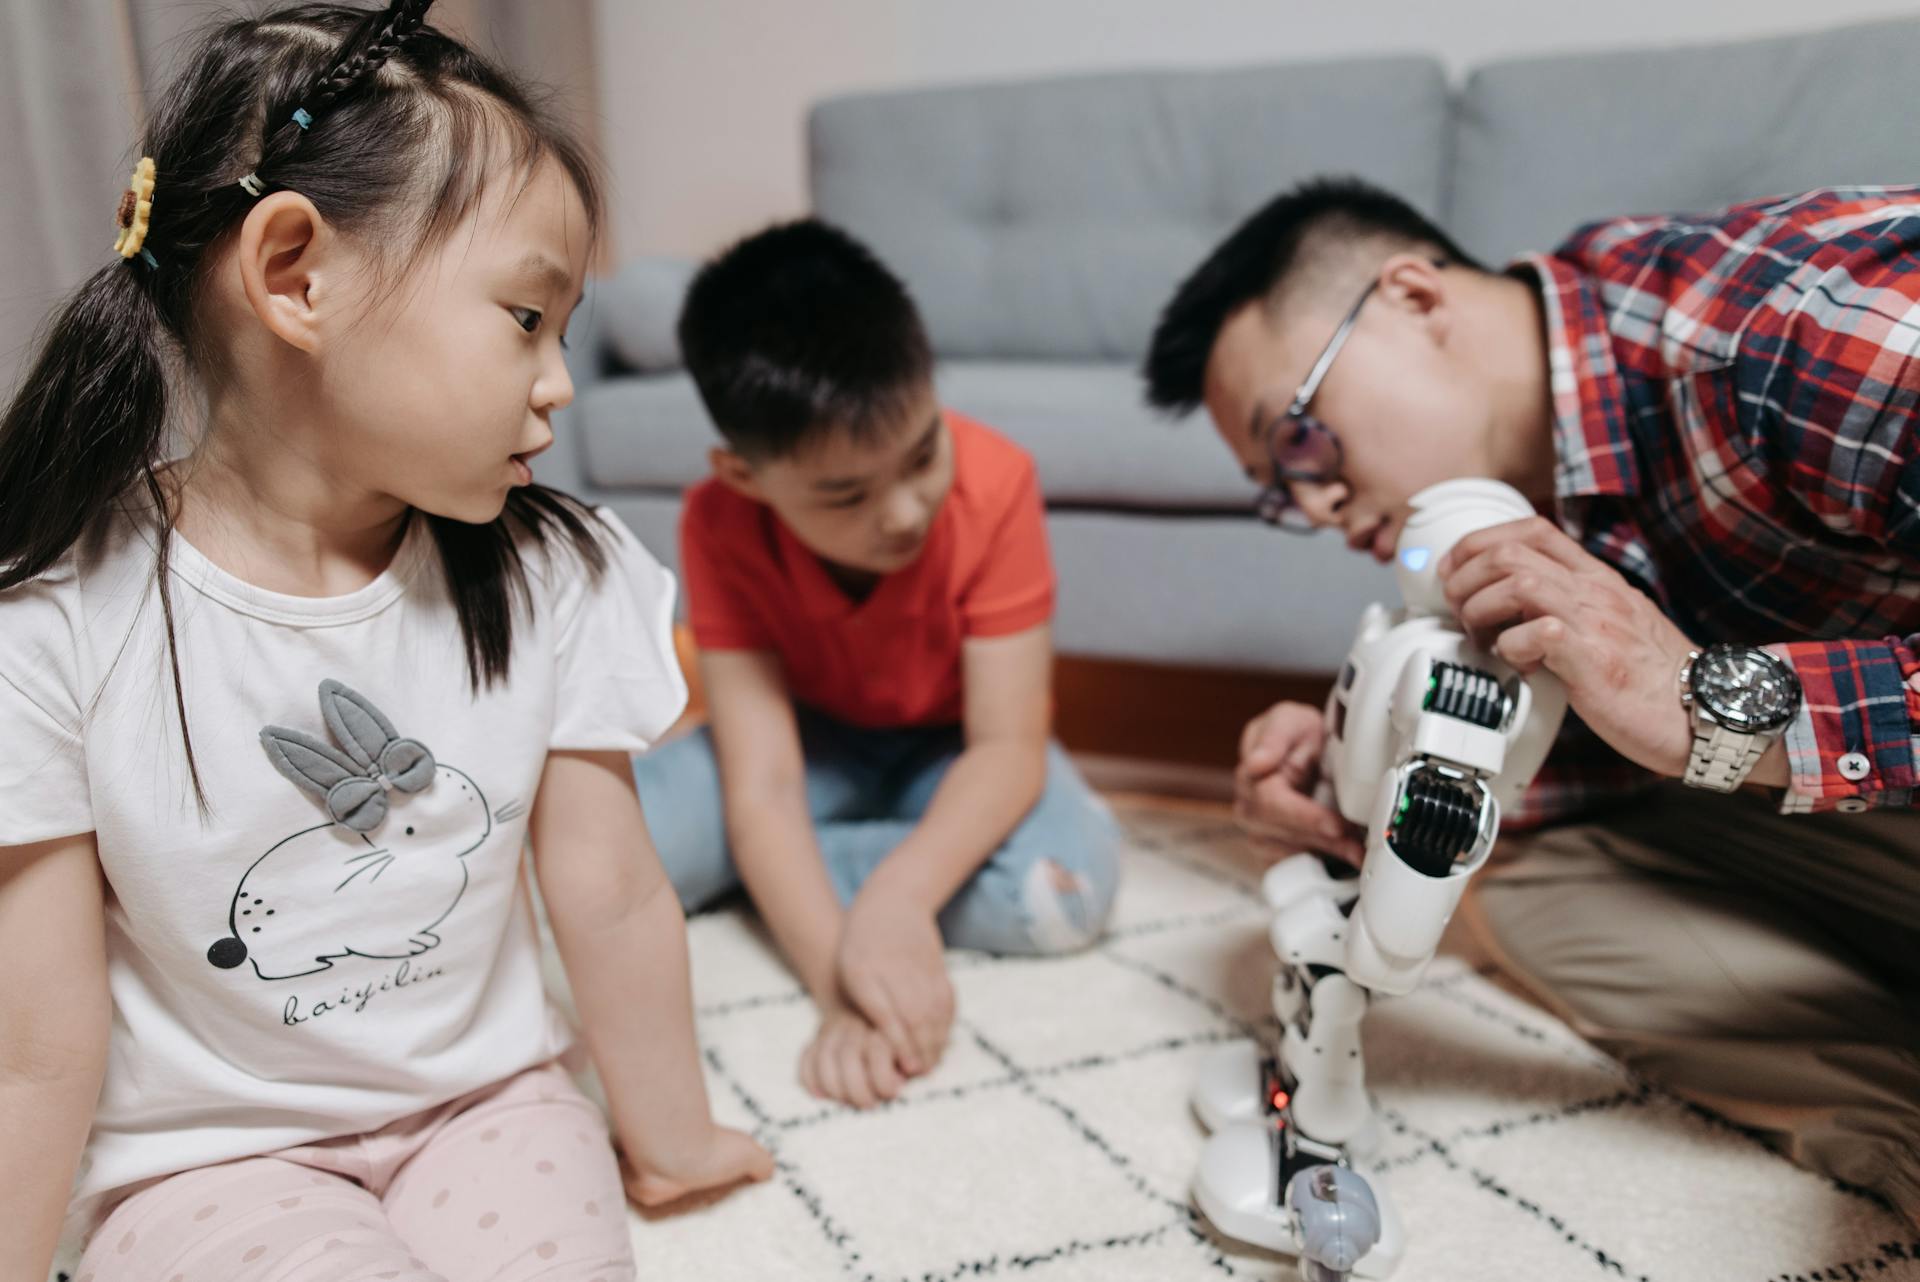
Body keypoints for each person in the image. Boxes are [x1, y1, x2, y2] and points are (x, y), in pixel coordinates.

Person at [0, 5, 772, 1280]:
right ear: (297, 273)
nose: (559, 381)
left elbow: (615, 894)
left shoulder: (554, 571)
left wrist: (675, 1141)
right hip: (210, 1160)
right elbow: (37, 1033)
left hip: (491, 1107)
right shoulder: (56, 621)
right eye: (527, 318)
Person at [1142, 176, 1920, 1224]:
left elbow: (1688, 711)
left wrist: (1727, 707)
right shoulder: (1518, 511)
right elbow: (1559, 765)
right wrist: (1350, 778)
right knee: (1513, 867)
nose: (1316, 505)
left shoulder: (1801, 330)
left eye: (1297, 439)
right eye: (1282, 491)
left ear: (1414, 298)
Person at [633, 218, 1122, 1111]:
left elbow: (1007, 748)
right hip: (811, 750)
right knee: (618, 852)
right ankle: (792, 878)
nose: (903, 512)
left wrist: (898, 901)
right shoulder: (715, 521)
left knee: (1064, 896)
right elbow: (766, 780)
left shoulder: (998, 480)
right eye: (846, 494)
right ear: (744, 477)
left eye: (922, 455)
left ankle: (783, 878)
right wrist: (841, 984)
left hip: (955, 753)